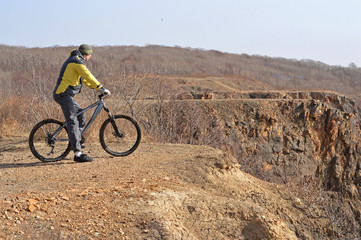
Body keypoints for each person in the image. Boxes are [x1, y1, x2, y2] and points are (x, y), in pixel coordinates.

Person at [53, 44, 110, 163]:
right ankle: (77, 154)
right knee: (72, 121)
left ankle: (76, 140)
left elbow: (84, 79)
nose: (89, 58)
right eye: (90, 55)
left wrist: (97, 89)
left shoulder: (76, 60)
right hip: (63, 94)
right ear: (87, 54)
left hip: (66, 94)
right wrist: (101, 87)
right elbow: (87, 75)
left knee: (81, 114)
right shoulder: (76, 61)